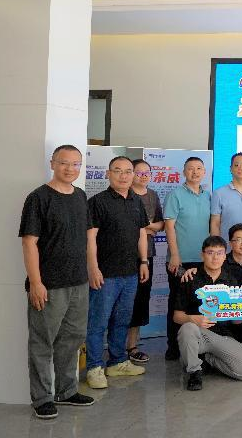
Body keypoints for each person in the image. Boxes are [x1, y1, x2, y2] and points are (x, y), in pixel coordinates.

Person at [19, 145, 95, 419]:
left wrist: (92, 270)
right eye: (64, 163)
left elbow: (88, 237)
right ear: (52, 163)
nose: (70, 169)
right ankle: (42, 398)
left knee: (72, 340)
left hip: (78, 282)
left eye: (76, 164)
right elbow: (29, 242)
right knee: (42, 342)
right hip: (49, 285)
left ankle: (67, 391)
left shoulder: (80, 196)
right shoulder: (38, 198)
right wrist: (36, 282)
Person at [85, 156, 149, 389]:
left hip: (130, 273)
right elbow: (90, 238)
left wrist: (144, 261)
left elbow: (141, 233)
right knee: (98, 323)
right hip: (105, 274)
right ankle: (94, 367)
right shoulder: (97, 202)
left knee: (122, 320)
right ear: (108, 174)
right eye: (118, 171)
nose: (124, 176)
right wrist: (93, 268)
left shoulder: (136, 200)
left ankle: (117, 362)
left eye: (128, 171)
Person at [173, 236, 242, 391]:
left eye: (219, 253)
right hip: (199, 335)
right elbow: (176, 316)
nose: (215, 257)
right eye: (210, 252)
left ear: (225, 256)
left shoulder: (231, 281)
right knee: (187, 328)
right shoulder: (190, 278)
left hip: (223, 336)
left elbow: (234, 320)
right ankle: (194, 372)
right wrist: (193, 319)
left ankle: (207, 360)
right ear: (202, 255)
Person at [163, 156, 211, 360]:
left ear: (204, 172)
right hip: (180, 261)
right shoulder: (175, 195)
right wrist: (175, 255)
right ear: (184, 172)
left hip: (203, 260)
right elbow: (169, 227)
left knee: (199, 303)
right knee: (177, 303)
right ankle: (173, 348)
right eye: (191, 168)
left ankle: (197, 347)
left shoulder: (208, 196)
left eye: (199, 168)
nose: (195, 172)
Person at [126, 159, 164, 365]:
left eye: (146, 173)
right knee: (121, 302)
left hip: (146, 256)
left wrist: (143, 227)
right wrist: (146, 227)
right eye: (138, 172)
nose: (143, 176)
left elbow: (160, 225)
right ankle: (116, 347)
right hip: (122, 256)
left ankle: (132, 346)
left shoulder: (153, 195)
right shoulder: (124, 194)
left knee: (140, 301)